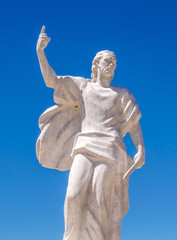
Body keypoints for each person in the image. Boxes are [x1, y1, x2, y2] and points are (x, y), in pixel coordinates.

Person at [35, 26, 145, 240]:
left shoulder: (122, 94)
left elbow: (133, 123)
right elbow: (52, 81)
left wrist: (140, 148)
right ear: (96, 65)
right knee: (73, 196)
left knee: (99, 202)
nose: (111, 66)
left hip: (110, 151)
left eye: (114, 63)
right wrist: (40, 52)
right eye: (107, 61)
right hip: (84, 146)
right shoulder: (83, 87)